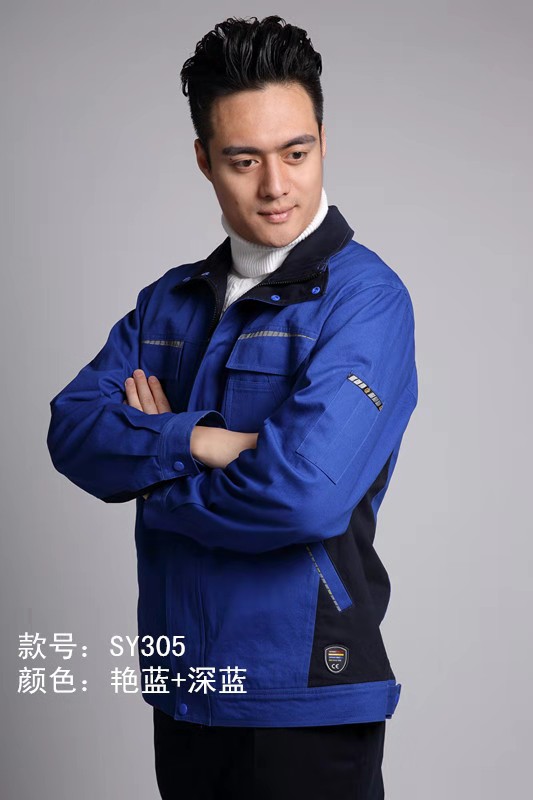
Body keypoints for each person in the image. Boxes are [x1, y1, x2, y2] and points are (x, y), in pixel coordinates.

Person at [47, 14, 418, 800]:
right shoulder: (168, 302)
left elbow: (303, 496)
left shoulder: (365, 301)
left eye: (296, 153)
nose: (275, 185)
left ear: (323, 141)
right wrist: (206, 442)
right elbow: (72, 432)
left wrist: (154, 472)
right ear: (204, 160)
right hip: (187, 685)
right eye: (244, 160)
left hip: (304, 693)